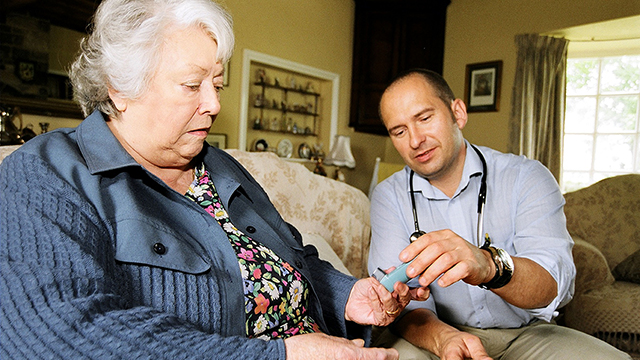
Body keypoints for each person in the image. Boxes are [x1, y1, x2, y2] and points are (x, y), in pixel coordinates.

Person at [0, 0, 421, 358]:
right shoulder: (47, 172)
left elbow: (291, 258)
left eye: (217, 83)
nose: (214, 103)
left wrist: (348, 295)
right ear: (119, 89)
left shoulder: (218, 166)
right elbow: (58, 333)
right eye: (191, 84)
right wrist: (281, 354)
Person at [367, 68, 631, 360]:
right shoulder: (387, 196)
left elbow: (553, 286)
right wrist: (444, 339)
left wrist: (488, 265)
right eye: (399, 131)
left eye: (425, 118)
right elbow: (399, 301)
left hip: (527, 333)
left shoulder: (527, 177)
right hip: (433, 332)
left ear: (458, 113)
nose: (415, 140)